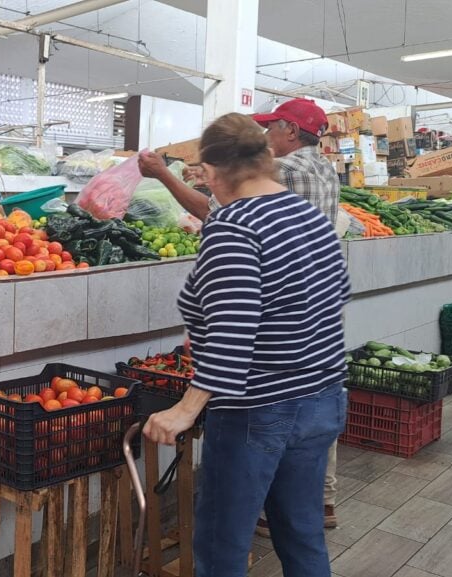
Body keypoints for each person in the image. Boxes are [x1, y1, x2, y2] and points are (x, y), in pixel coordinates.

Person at [143, 113, 349, 577]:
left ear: (212, 172)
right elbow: (337, 295)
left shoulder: (234, 226)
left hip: (258, 410)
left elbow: (234, 332)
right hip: (322, 398)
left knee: (221, 548)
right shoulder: (313, 218)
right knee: (301, 535)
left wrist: (186, 408)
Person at [139, 98, 340, 226]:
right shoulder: (327, 170)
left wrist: (162, 174)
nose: (266, 135)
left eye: (270, 128)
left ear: (292, 131)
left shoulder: (281, 169)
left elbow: (211, 213)